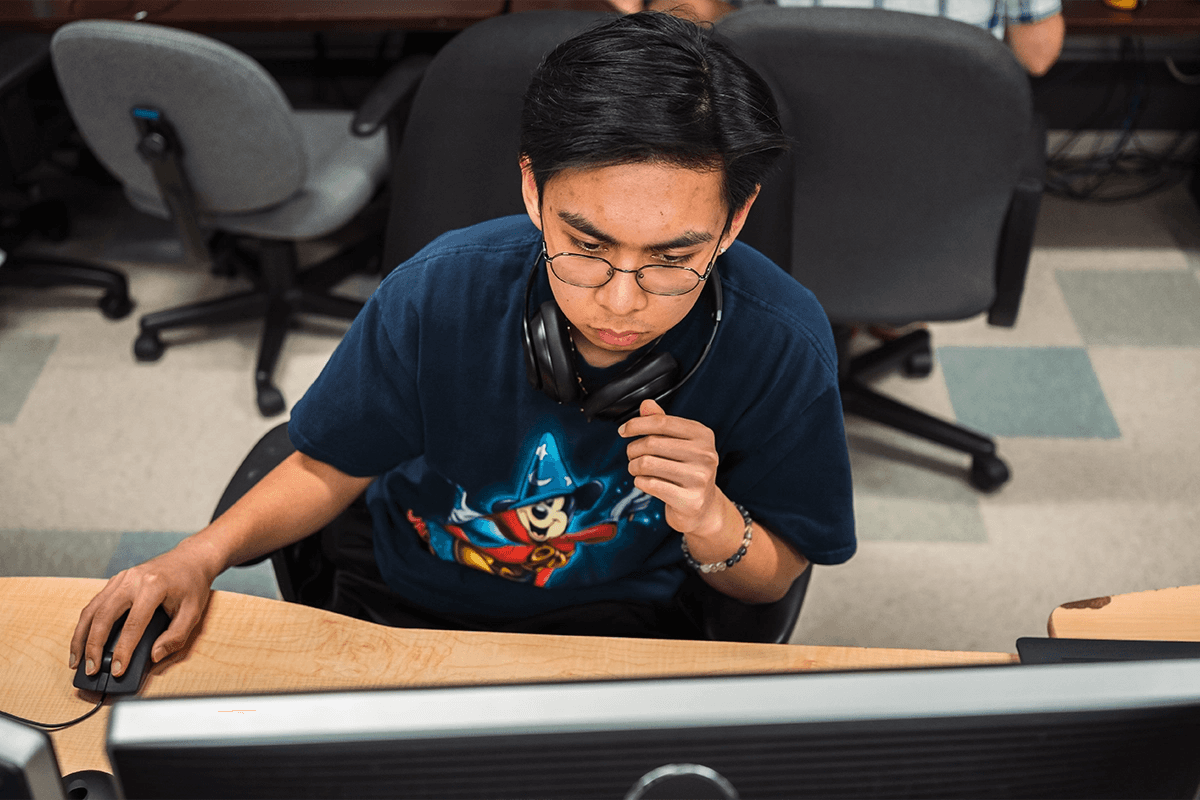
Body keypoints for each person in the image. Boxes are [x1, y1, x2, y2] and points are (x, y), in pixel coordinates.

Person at [69, 11, 856, 678]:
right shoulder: (438, 291)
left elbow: (777, 575)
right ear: (531, 191)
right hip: (402, 610)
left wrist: (715, 521)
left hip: (613, 638)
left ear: (736, 219)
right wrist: (196, 558)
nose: (620, 303)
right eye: (585, 247)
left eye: (672, 260)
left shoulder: (781, 342)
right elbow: (325, 464)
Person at [615, 0, 1064, 77]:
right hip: (942, 160)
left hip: (797, 159)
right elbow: (1037, 54)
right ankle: (896, 320)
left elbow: (679, 18)